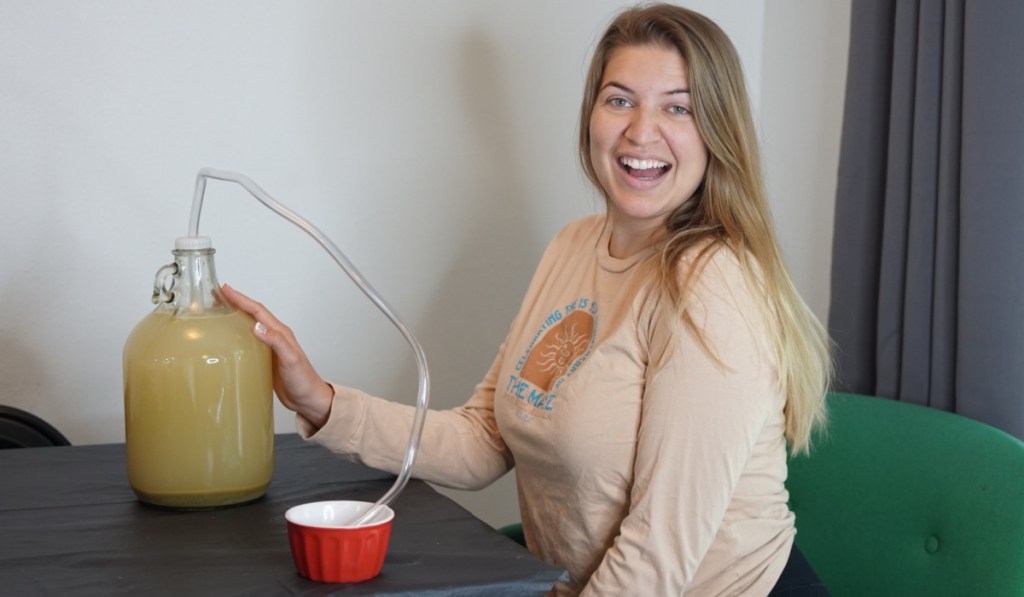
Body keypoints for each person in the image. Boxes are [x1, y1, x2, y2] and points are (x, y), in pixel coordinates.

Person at [223, 3, 832, 595]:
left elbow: (659, 554)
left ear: (717, 132)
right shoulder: (574, 246)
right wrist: (321, 401)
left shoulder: (712, 284)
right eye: (620, 99)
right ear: (591, 114)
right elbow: (484, 439)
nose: (641, 131)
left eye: (679, 108)